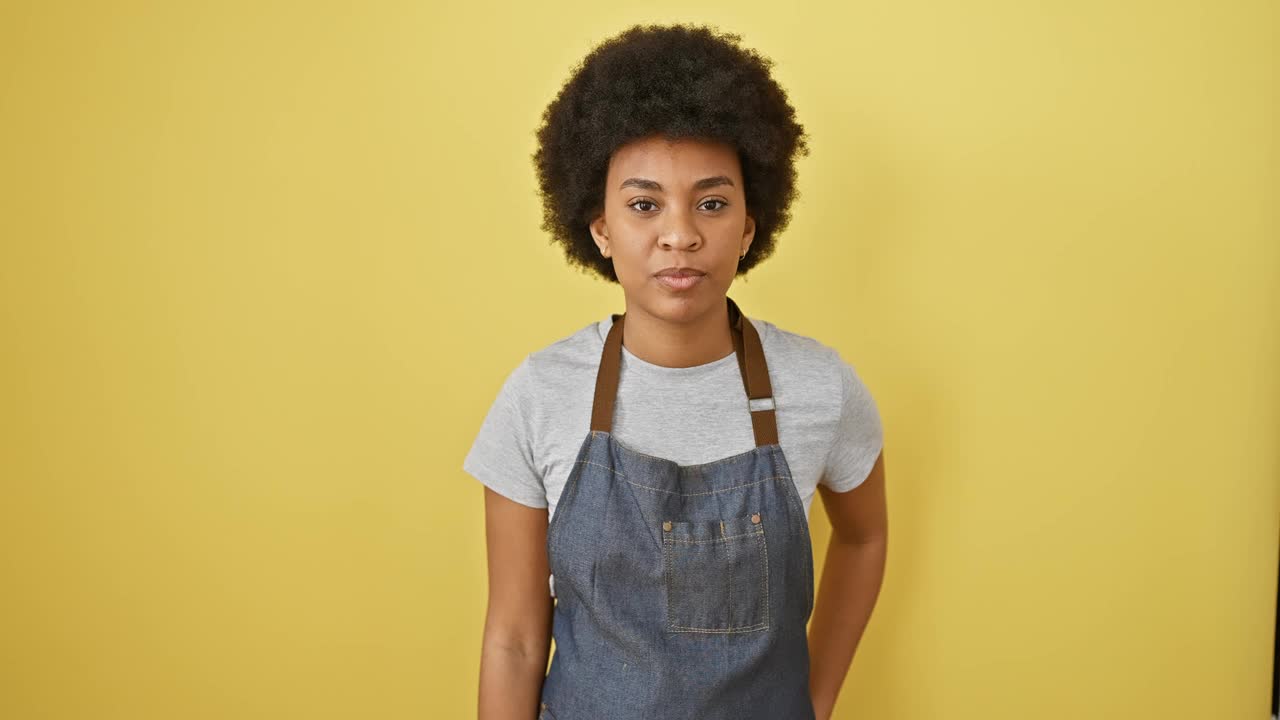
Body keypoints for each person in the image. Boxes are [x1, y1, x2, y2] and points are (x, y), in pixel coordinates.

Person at [463, 22, 888, 720]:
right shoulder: (540, 394)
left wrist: (816, 697)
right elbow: (512, 639)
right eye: (643, 204)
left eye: (713, 203)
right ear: (599, 227)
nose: (680, 234)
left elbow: (866, 535)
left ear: (751, 225)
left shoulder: (820, 388)